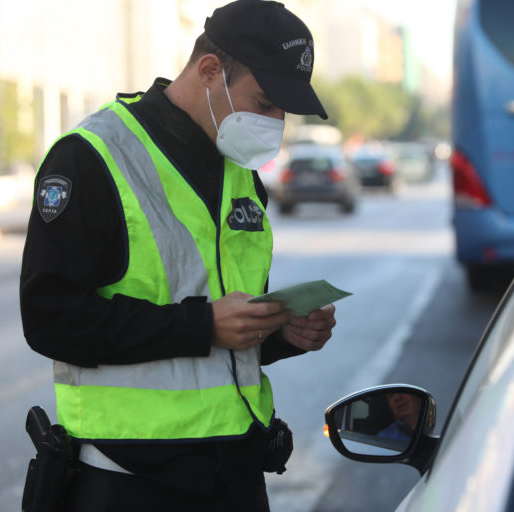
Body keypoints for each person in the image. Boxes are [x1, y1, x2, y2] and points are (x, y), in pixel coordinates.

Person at [19, 1, 335, 510]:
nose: (274, 122)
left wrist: (279, 332)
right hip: (127, 481)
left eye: (283, 111)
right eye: (264, 102)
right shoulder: (92, 157)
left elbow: (225, 327)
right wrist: (203, 326)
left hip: (233, 474)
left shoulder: (240, 174)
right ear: (210, 70)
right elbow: (50, 319)